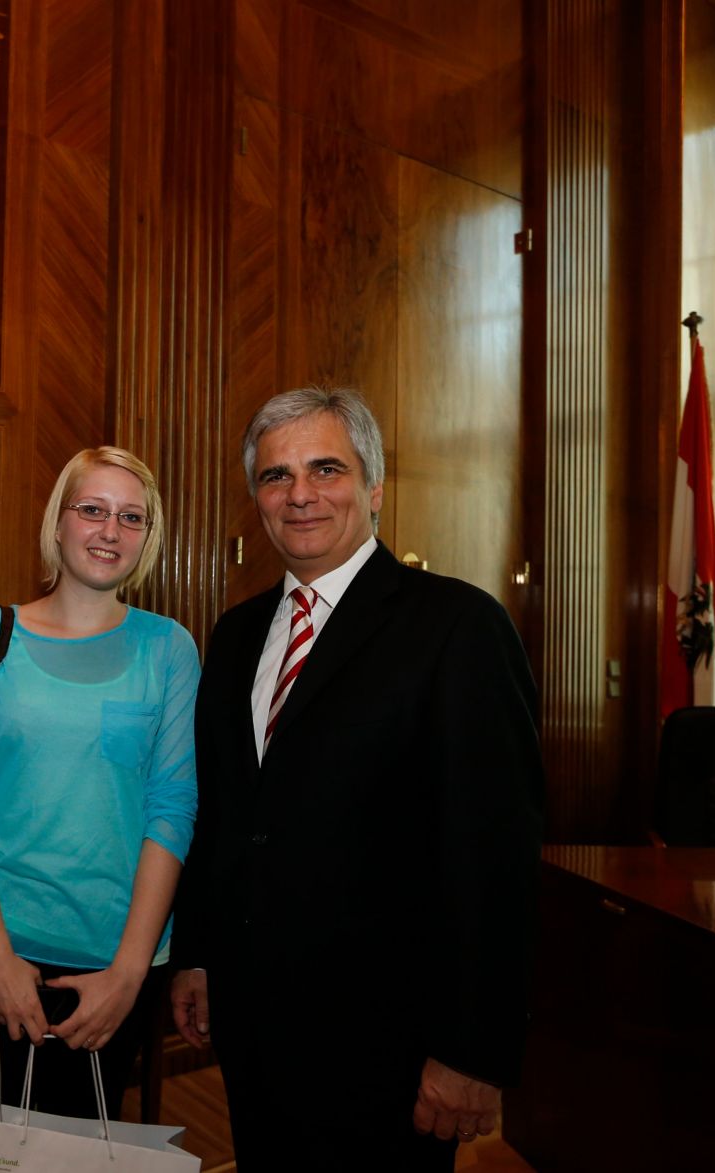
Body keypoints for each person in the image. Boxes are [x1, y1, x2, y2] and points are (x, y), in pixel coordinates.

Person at [169, 387, 545, 1170]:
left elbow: (494, 853)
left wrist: (470, 1049)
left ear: (373, 487)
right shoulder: (236, 635)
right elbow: (229, 814)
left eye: (325, 468)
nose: (299, 493)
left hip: (391, 1047)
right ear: (257, 499)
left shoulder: (458, 626)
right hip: (255, 1026)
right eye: (276, 476)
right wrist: (199, 954)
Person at [0, 446, 200, 1119]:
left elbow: (172, 806)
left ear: (149, 536)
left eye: (131, 517)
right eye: (93, 510)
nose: (110, 530)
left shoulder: (169, 648)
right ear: (58, 523)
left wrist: (131, 973)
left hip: (111, 972)